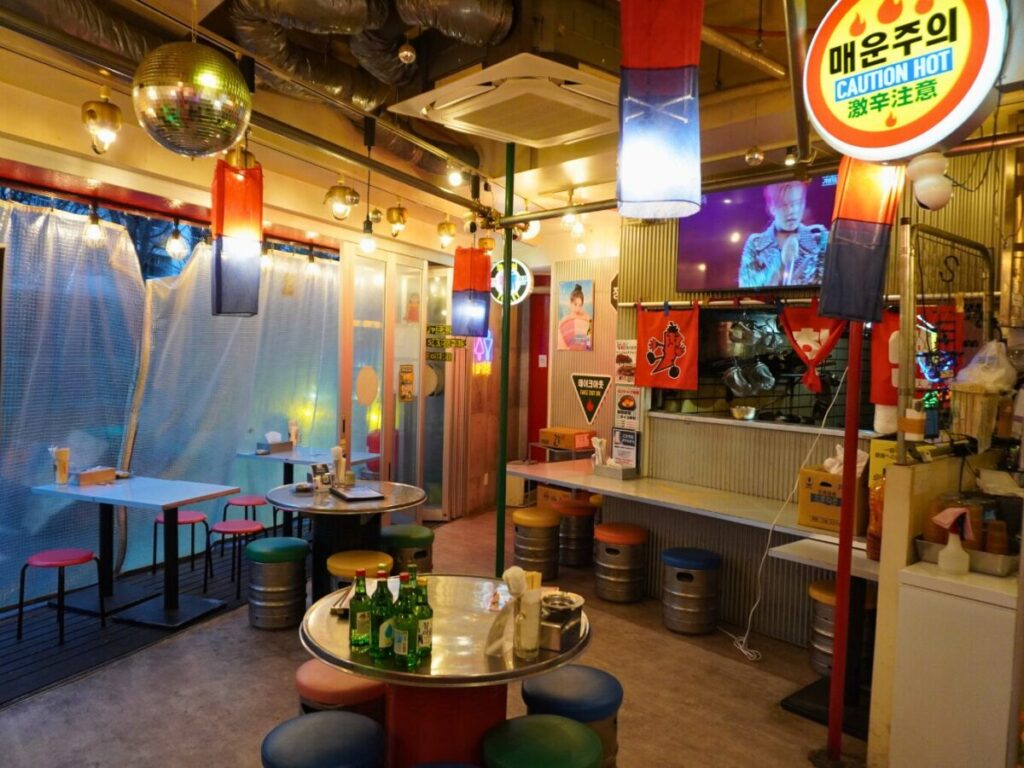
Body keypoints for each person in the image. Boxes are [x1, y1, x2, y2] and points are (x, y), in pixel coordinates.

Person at [738, 182, 828, 288]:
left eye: (797, 203)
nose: (791, 211)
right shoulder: (755, 243)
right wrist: (781, 262)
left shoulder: (819, 238)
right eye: (783, 205)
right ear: (771, 207)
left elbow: (827, 286)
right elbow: (747, 288)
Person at [558, 283, 592, 350]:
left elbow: (588, 343)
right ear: (570, 303)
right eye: (575, 304)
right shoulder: (564, 321)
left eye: (580, 305)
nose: (577, 308)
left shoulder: (588, 319)